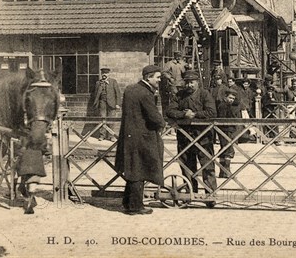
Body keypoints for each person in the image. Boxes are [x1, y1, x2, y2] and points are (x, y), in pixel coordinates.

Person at [114, 65, 166, 215]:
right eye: (157, 77)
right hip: (143, 137)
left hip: (129, 136)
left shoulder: (130, 89)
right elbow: (154, 116)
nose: (159, 80)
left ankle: (128, 202)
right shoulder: (145, 93)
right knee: (139, 169)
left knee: (132, 168)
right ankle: (135, 207)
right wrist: (162, 123)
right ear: (148, 77)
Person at [167, 70, 218, 206]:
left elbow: (212, 112)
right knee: (186, 166)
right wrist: (183, 115)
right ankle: (189, 193)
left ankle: (210, 196)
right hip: (184, 136)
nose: (189, 85)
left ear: (197, 82)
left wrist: (194, 114)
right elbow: (170, 111)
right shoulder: (179, 95)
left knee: (207, 166)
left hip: (203, 136)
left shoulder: (205, 94)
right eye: (187, 82)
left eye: (192, 82)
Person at [215, 88, 242, 178]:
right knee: (228, 150)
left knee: (224, 149)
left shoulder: (226, 105)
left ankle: (222, 172)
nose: (231, 100)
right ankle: (226, 171)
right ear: (225, 97)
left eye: (233, 99)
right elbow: (223, 119)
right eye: (230, 98)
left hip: (226, 130)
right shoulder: (223, 106)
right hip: (226, 130)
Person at [92, 67, 121, 141]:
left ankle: (112, 136)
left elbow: (117, 93)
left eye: (106, 73)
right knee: (102, 118)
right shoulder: (98, 83)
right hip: (102, 102)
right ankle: (102, 135)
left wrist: (118, 104)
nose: (104, 75)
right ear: (101, 74)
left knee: (111, 119)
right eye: (103, 73)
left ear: (109, 74)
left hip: (112, 103)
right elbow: (95, 94)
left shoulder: (113, 81)